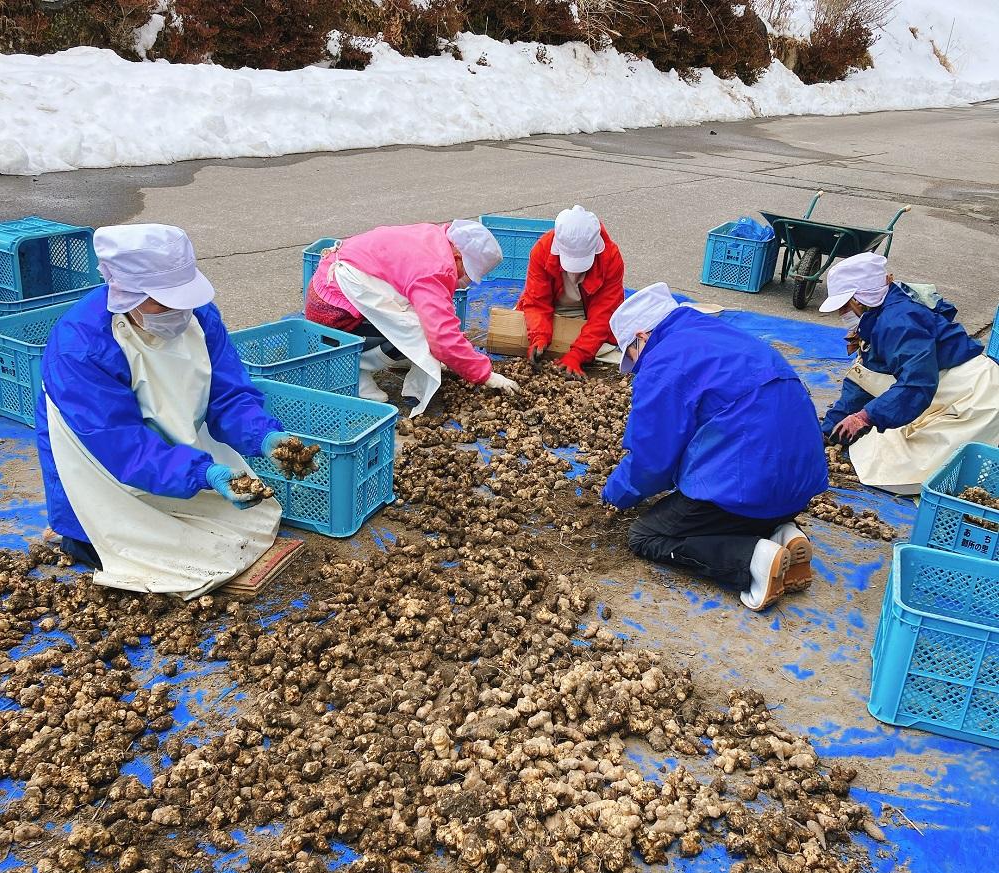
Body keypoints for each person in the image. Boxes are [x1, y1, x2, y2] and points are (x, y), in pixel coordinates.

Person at [36, 224, 299, 599]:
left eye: (183, 297)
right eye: (164, 301)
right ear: (126, 294)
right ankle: (77, 537)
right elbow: (121, 445)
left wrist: (263, 435)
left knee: (255, 523)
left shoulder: (199, 315)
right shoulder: (80, 347)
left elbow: (227, 393)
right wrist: (200, 472)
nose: (179, 310)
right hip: (104, 464)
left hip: (174, 448)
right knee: (162, 558)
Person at [601, 284, 828, 612]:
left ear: (641, 336)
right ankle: (782, 534)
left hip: (752, 483)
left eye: (631, 354)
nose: (635, 366)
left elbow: (652, 461)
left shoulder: (664, 362)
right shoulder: (716, 333)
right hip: (800, 484)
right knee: (726, 492)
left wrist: (616, 493)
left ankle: (753, 560)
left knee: (647, 535)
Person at [818, 252, 999, 493]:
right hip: (941, 393)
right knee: (872, 446)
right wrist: (827, 430)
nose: (842, 315)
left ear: (859, 300)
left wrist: (865, 417)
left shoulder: (899, 321)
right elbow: (865, 383)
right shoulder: (877, 318)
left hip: (975, 399)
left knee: (909, 471)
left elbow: (918, 383)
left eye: (844, 307)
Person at [305, 220, 518, 413]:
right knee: (422, 330)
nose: (465, 280)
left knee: (424, 319)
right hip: (333, 311)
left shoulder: (436, 239)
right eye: (467, 272)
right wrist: (485, 374)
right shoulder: (434, 268)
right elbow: (441, 338)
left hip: (335, 290)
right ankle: (351, 370)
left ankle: (394, 356)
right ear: (458, 257)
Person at [517, 205, 625, 380]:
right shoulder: (542, 249)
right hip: (554, 307)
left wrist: (579, 354)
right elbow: (537, 301)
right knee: (527, 324)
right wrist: (539, 336)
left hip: (585, 313)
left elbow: (604, 314)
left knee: (604, 346)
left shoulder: (611, 257)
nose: (574, 272)